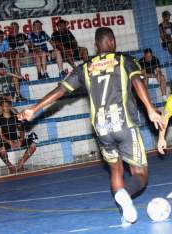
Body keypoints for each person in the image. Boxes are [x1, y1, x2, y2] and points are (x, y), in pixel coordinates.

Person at [17, 27, 164, 225]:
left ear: (96, 45)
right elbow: (137, 81)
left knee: (115, 171)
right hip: (124, 124)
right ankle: (126, 195)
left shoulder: (85, 67)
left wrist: (34, 109)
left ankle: (124, 213)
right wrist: (150, 108)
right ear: (112, 42)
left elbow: (60, 90)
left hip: (101, 128)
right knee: (140, 174)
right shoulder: (124, 60)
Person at [0, 100, 37, 173]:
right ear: (1, 107)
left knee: (33, 145)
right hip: (5, 140)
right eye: (4, 105)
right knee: (2, 151)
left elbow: (21, 130)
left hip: (16, 138)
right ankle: (10, 167)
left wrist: (21, 140)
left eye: (8, 105)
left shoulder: (15, 117)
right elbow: (0, 135)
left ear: (10, 106)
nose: (7, 107)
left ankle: (20, 164)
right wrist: (10, 142)